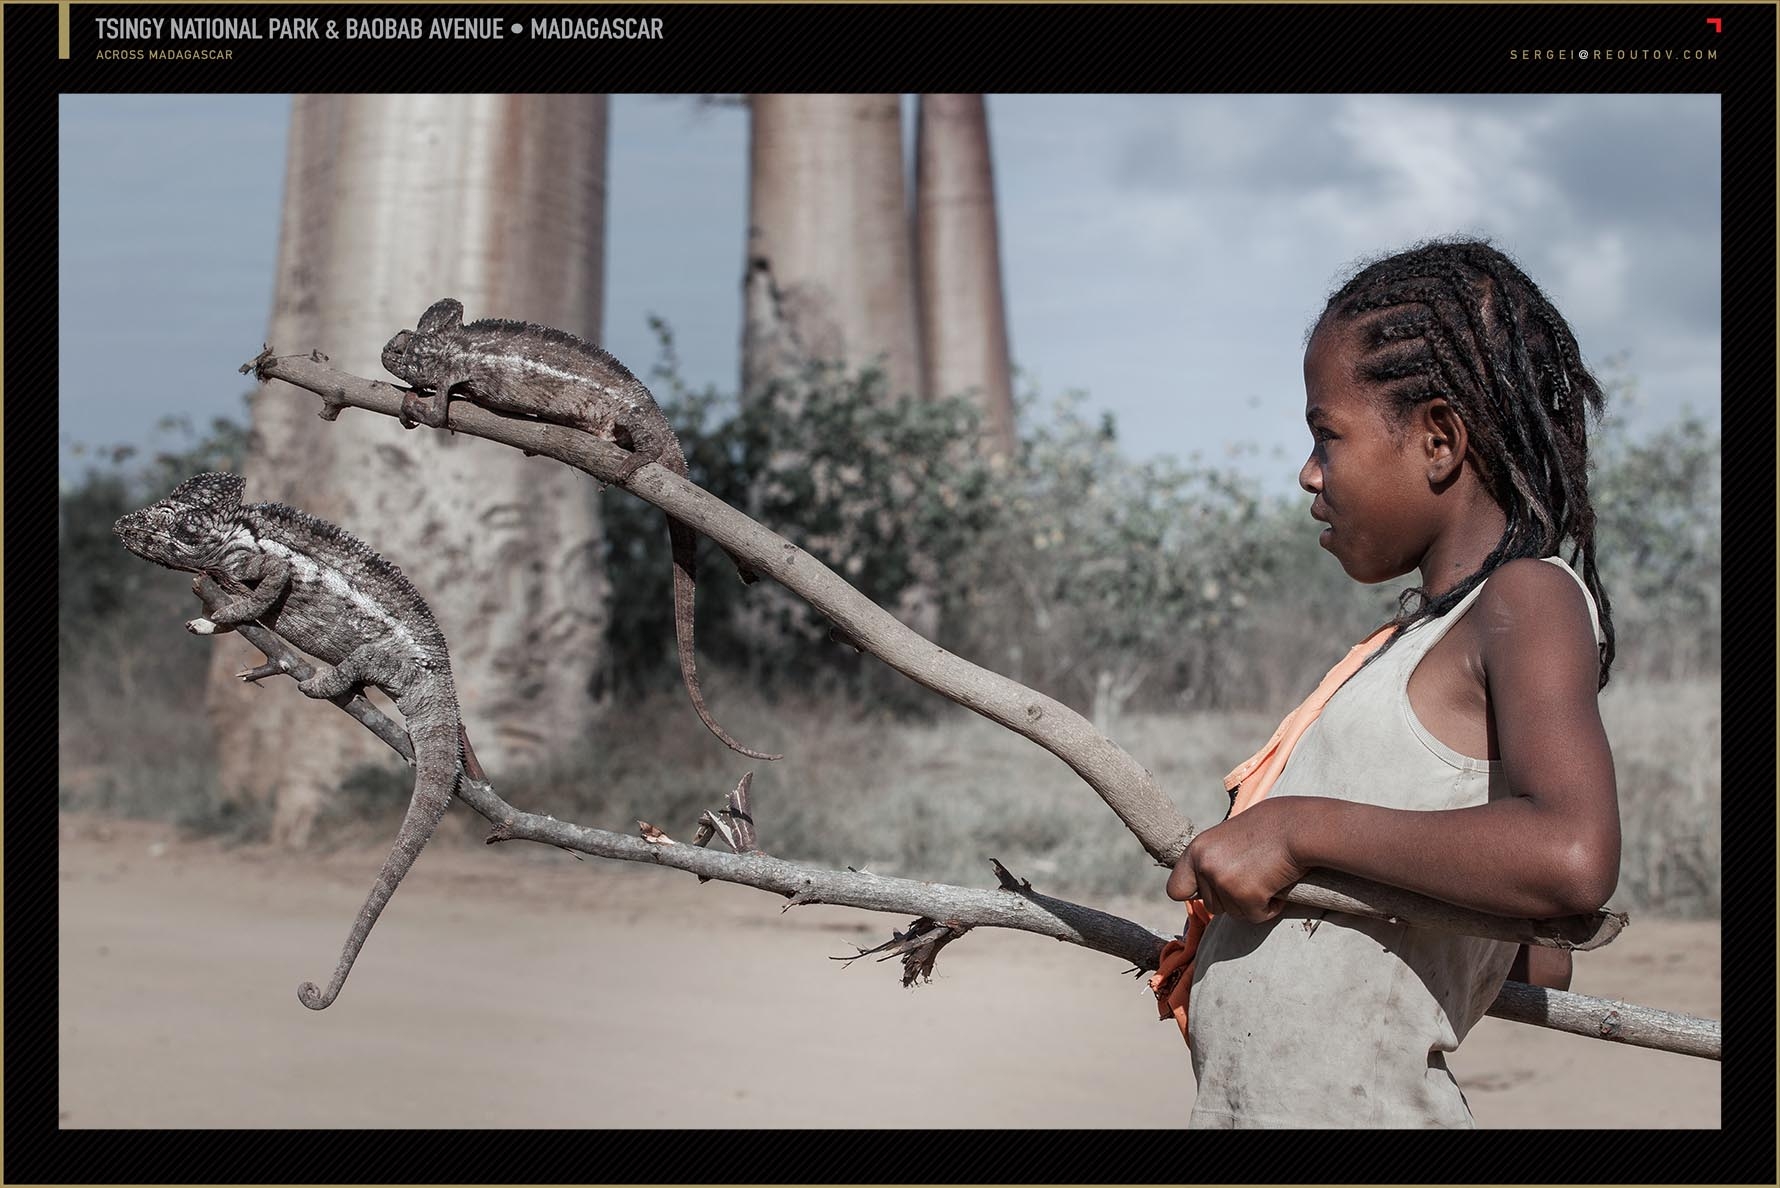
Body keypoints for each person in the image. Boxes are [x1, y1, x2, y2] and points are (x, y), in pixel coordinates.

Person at [1164, 239, 1620, 1128]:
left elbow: (1571, 857)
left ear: (1439, 440)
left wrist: (1299, 829)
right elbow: (1496, 885)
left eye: (1325, 435)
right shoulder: (1409, 641)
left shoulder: (1526, 599)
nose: (1308, 471)